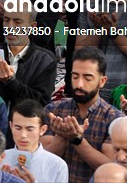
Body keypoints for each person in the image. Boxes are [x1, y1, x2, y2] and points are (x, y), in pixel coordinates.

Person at [41, 47, 122, 183]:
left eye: (87, 78)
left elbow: (111, 168)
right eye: (75, 76)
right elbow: (42, 161)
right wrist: (61, 137)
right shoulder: (53, 110)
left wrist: (77, 140)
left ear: (102, 81)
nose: (79, 84)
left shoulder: (114, 119)